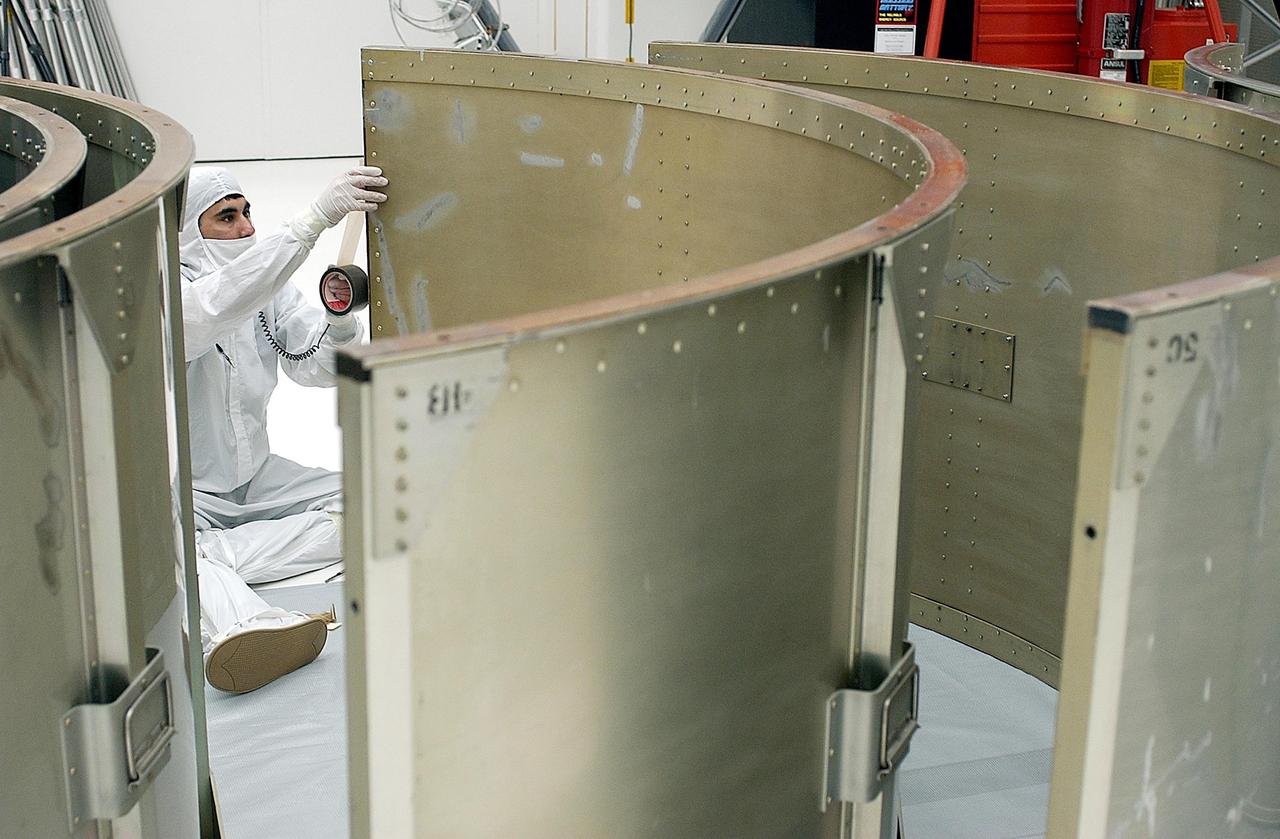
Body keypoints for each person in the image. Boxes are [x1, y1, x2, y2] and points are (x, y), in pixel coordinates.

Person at [179, 165, 388, 693]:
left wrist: (339, 321)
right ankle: (246, 624)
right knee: (167, 562)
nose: (247, 227)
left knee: (376, 504)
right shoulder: (168, 295)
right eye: (227, 217)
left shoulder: (264, 289)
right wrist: (313, 220)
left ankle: (216, 561)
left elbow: (314, 366)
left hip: (258, 478)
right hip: (186, 494)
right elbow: (215, 306)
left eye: (248, 212)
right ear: (187, 233)